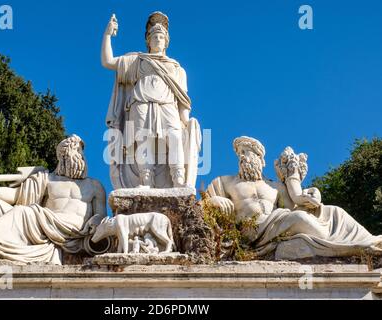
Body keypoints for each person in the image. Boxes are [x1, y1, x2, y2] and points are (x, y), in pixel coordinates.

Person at [206, 136, 382, 259]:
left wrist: (313, 197)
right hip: (249, 232)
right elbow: (201, 207)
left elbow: (294, 207)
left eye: (247, 152)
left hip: (276, 224)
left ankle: (364, 242)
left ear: (260, 159)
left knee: (335, 212)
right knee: (299, 218)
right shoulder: (225, 181)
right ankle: (343, 246)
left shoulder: (275, 186)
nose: (242, 157)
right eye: (240, 153)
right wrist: (214, 201)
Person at [0, 135, 107, 264]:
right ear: (61, 157)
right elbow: (15, 196)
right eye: (71, 152)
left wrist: (96, 220)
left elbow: (101, 215)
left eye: (79, 152)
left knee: (26, 211)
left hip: (75, 232)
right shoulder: (46, 179)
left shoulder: (94, 185)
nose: (77, 156)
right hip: (42, 228)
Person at [102, 12, 201, 189]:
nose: (158, 39)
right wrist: (107, 35)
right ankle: (146, 180)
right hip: (140, 104)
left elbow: (183, 101)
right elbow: (108, 62)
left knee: (175, 137)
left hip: (167, 105)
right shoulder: (137, 61)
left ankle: (178, 180)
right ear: (148, 40)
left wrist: (187, 121)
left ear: (166, 40)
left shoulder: (177, 68)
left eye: (161, 36)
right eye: (154, 36)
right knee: (143, 140)